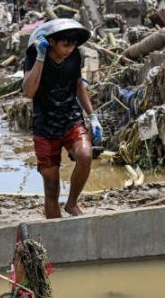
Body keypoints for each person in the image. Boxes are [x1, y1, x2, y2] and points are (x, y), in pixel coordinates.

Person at [22, 20, 102, 218]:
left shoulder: (75, 56)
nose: (70, 49)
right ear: (51, 42)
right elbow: (28, 92)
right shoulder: (33, 55)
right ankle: (55, 228)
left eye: (73, 44)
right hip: (45, 123)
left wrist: (92, 115)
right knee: (51, 185)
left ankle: (72, 203)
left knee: (85, 155)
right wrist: (41, 57)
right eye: (65, 44)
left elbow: (77, 85)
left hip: (70, 117)